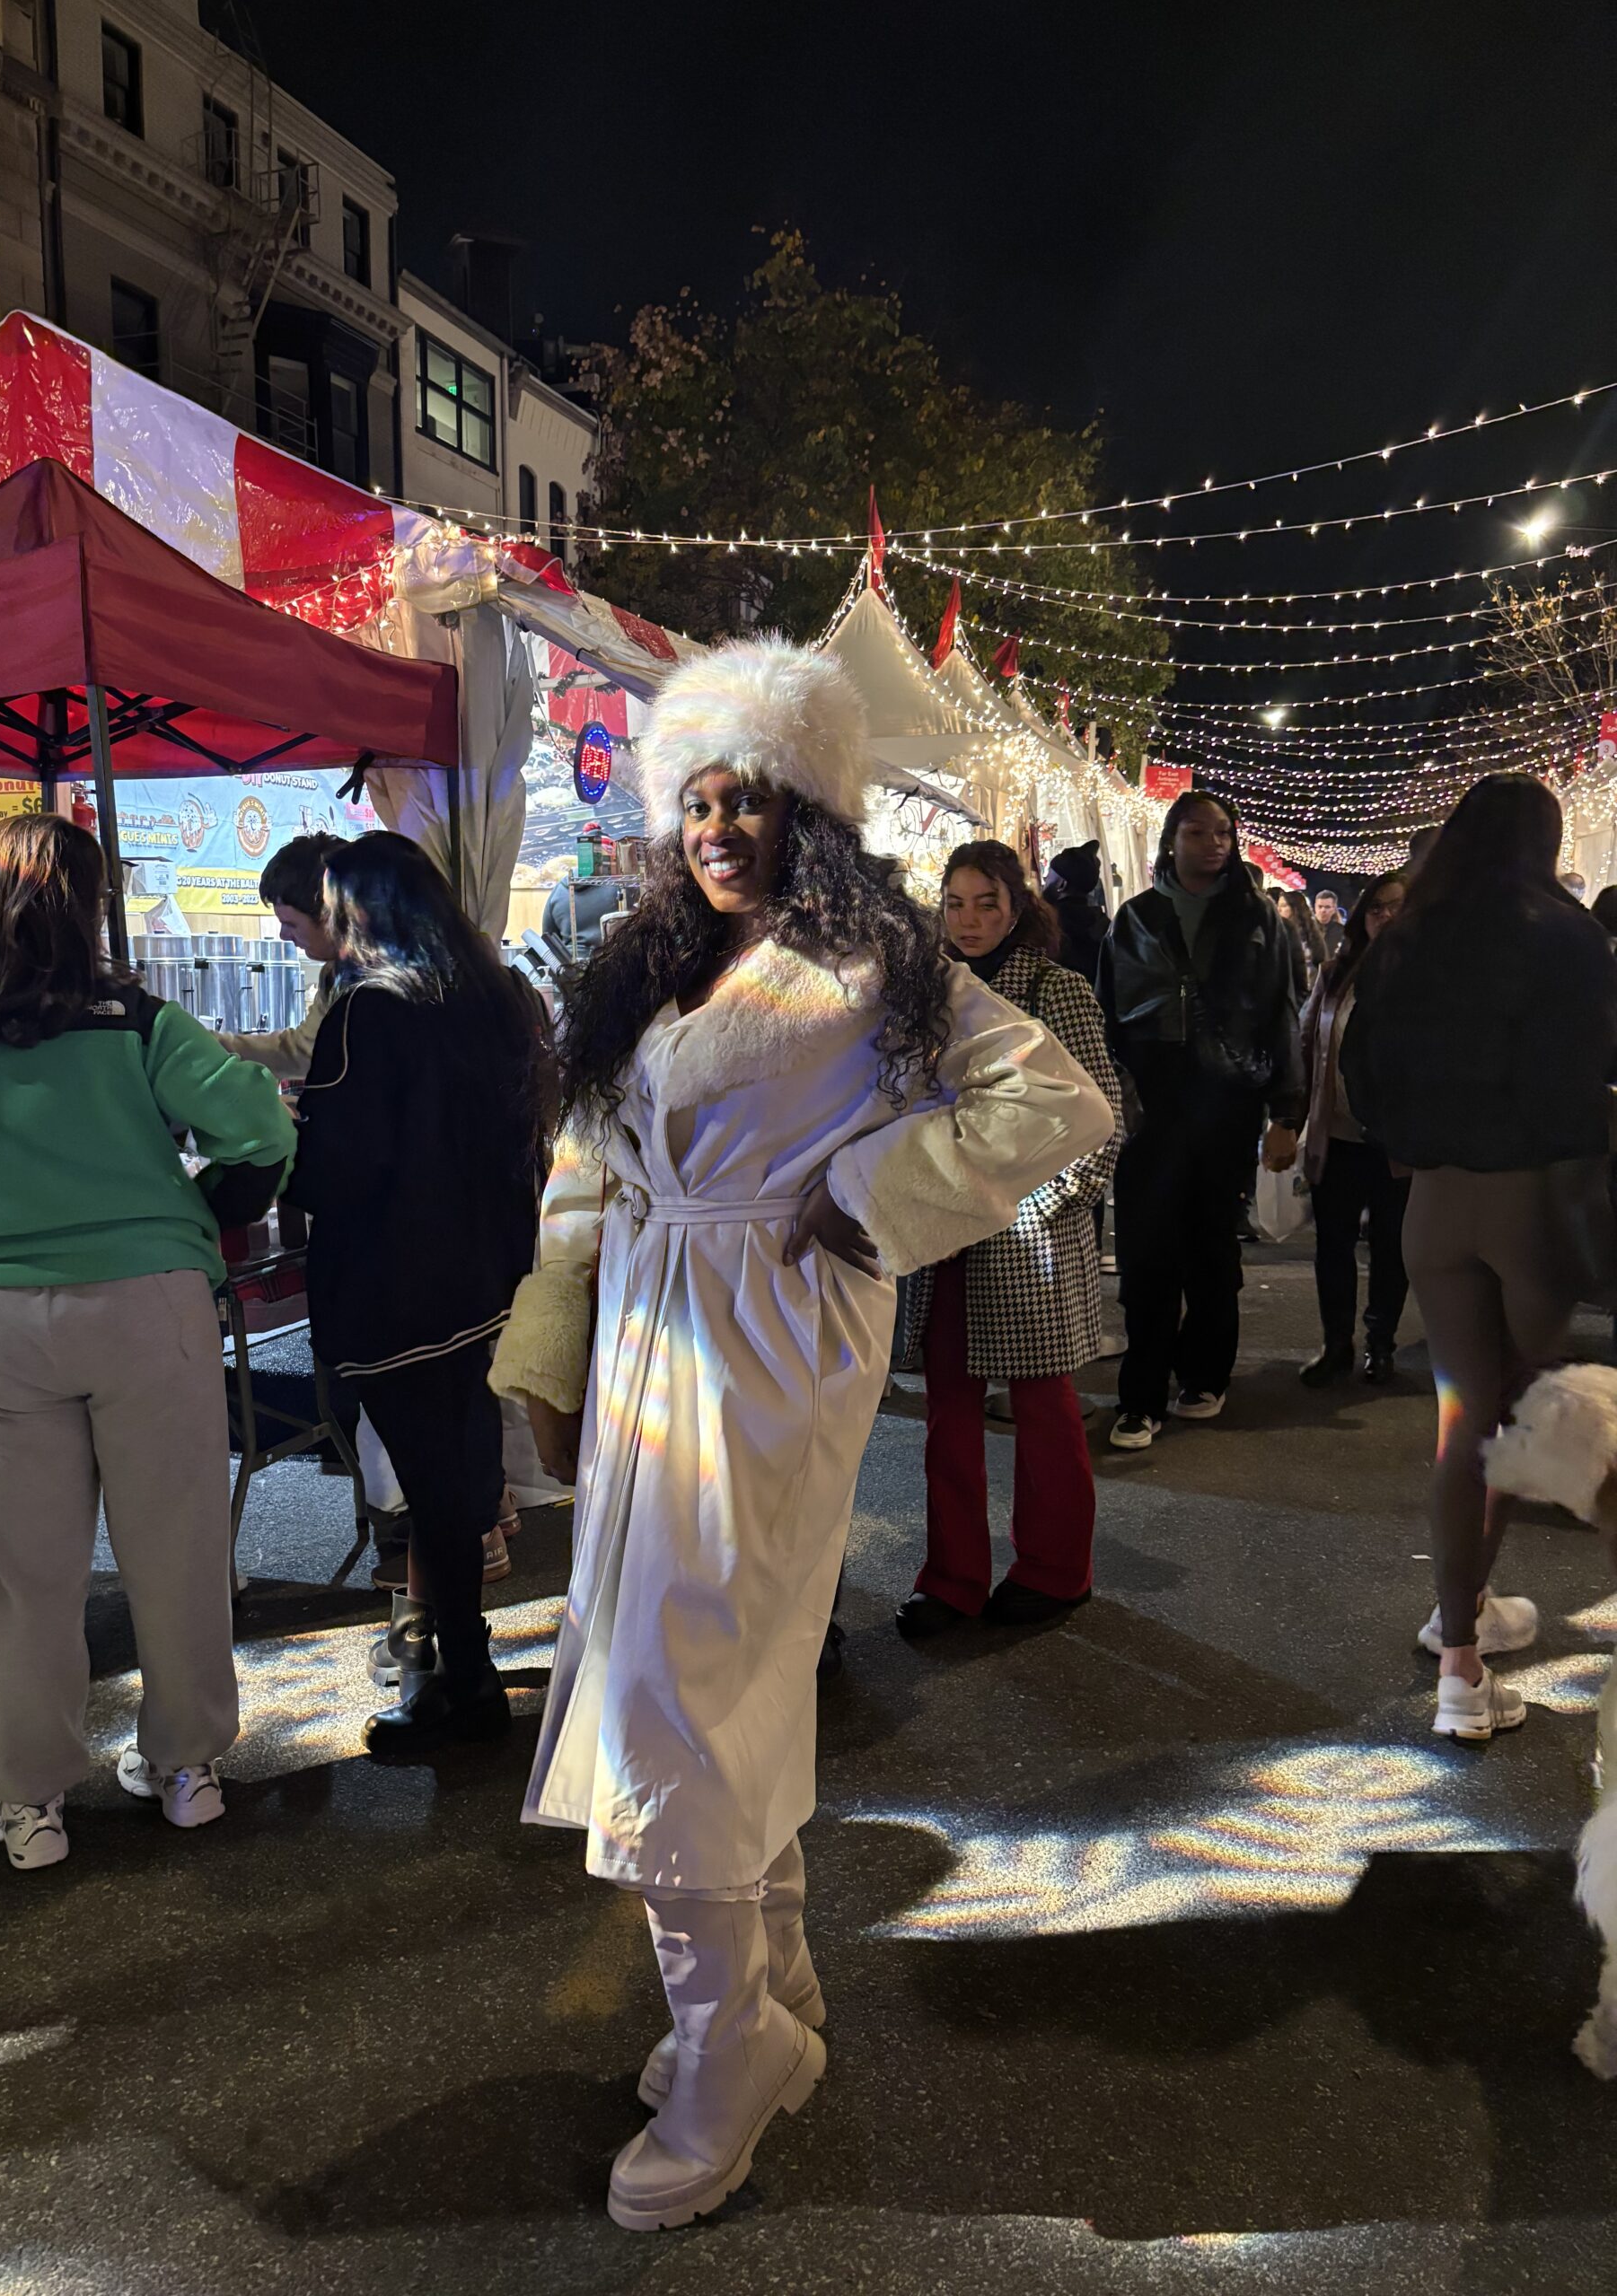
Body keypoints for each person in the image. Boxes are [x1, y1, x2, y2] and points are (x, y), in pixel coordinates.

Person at [488, 639, 1112, 2232]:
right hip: (646, 1343)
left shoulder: (880, 973)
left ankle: (727, 2048)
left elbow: (1066, 1117)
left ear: (809, 813)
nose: (715, 829)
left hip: (767, 1346)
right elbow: (585, 1160)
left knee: (675, 1687)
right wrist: (553, 1339)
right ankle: (767, 1997)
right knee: (702, 1672)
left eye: (747, 799)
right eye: (694, 801)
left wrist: (876, 1202)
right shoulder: (646, 969)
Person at [0, 815, 294, 1868]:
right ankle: (187, 1768)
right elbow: (260, 1126)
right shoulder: (133, 1015)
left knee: (23, 1569)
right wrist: (203, 1209)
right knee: (177, 1545)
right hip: (148, 1300)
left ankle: (29, 1803)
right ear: (87, 906)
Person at [1343, 774, 1617, 1743]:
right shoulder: (1566, 934)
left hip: (1433, 1202)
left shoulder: (1409, 935)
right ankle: (1460, 1654)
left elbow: (1358, 1062)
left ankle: (1462, 1620)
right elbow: (1588, 1068)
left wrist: (1405, 1137)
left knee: (1465, 1420)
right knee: (1515, 1417)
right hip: (1534, 1197)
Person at [285, 833, 550, 1756]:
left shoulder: (368, 1014)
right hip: (485, 1275)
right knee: (462, 1474)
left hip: (395, 1288)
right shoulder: (497, 997)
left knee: (431, 1491)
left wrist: (298, 1140)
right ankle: (460, 1670)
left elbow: (338, 1171)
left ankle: (464, 1681)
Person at [894, 840, 1122, 1639]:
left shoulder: (1054, 989)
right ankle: (951, 1579)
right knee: (947, 1410)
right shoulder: (926, 993)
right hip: (942, 1226)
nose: (969, 919)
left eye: (986, 902)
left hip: (1025, 1233)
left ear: (1018, 906)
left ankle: (1057, 1570)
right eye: (955, 903)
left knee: (1042, 1406)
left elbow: (1099, 1122)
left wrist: (1048, 1203)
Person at [1097, 789, 1305, 1450]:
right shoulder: (1135, 918)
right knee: (1146, 1248)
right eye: (1197, 832)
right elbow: (1107, 1018)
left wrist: (1286, 1112)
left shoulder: (1257, 917)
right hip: (1151, 1102)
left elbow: (1282, 1014)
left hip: (1227, 1100)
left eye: (1223, 832)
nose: (1213, 843)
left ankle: (1205, 1374)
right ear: (1171, 838)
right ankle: (1140, 1395)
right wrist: (1109, 1099)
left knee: (1211, 1244)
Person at [1295, 872, 1410, 1386]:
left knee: (1391, 1246)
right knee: (1332, 1246)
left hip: (1399, 1142)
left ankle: (1380, 1343)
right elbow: (1305, 1040)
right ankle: (1336, 1342)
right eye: (1377, 908)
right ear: (1361, 917)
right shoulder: (1335, 972)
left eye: (1398, 907)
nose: (1387, 917)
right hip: (1337, 1133)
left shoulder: (1432, 975)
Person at [218, 831, 346, 1080]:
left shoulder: (383, 981)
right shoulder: (336, 972)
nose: (283, 935)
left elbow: (306, 1054)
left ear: (331, 915)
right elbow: (302, 1050)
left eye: (291, 924)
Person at [1041, 839, 1108, 984]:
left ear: (1061, 884)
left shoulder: (1046, 924)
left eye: (1049, 875)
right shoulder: (1103, 924)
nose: (1045, 879)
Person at [1277, 888, 1328, 995]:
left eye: (1284, 906)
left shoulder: (1310, 935)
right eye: (1278, 905)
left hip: (1307, 992)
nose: (1279, 909)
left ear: (1295, 908)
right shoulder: (1279, 932)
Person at [1313, 888, 1347, 965]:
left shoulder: (1341, 931)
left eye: (1327, 907)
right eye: (1320, 906)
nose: (1323, 910)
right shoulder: (1306, 928)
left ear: (1334, 909)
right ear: (1315, 907)